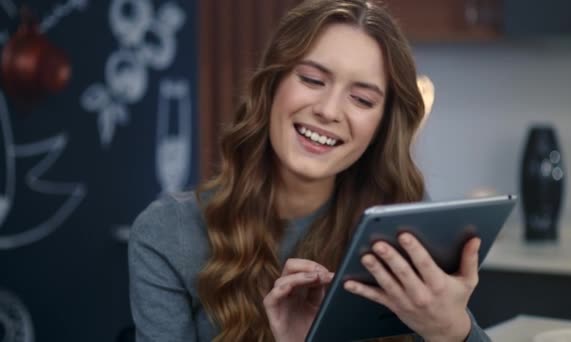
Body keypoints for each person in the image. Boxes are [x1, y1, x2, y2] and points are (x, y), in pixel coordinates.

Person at [128, 0, 491, 341]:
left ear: (381, 126)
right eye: (312, 80)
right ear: (272, 86)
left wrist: (452, 330)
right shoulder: (167, 234)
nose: (329, 111)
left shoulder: (401, 223)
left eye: (362, 100)